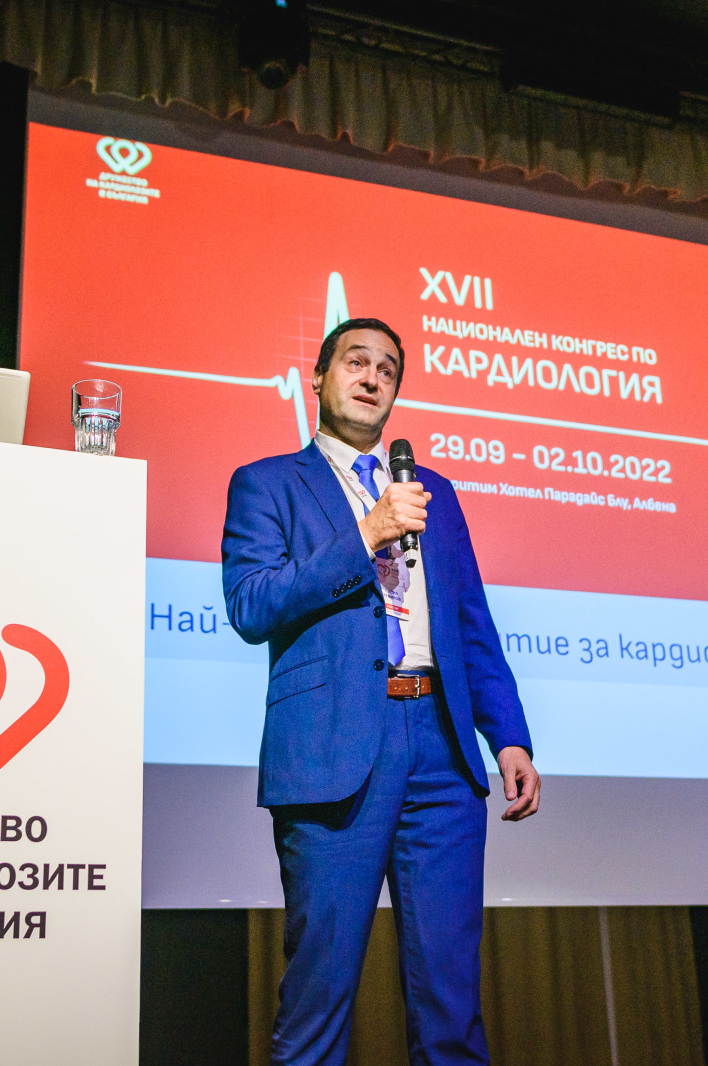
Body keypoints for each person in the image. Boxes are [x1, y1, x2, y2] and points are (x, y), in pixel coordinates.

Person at [222, 317, 540, 1066]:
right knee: (318, 1000)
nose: (371, 378)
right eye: (355, 362)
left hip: (442, 751)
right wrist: (365, 535)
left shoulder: (436, 494)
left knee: (451, 1005)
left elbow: (470, 624)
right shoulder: (267, 483)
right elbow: (251, 606)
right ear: (318, 377)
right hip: (334, 750)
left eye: (387, 370)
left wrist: (509, 736)